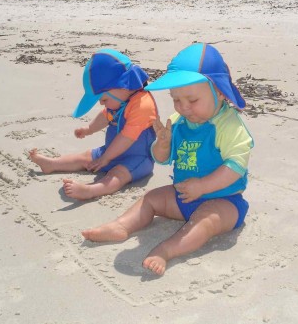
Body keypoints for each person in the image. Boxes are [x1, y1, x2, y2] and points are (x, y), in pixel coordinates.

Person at [81, 43, 254, 275]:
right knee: (151, 198)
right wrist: (162, 145)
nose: (183, 107)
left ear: (220, 92)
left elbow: (235, 166)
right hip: (183, 196)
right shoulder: (179, 121)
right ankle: (121, 226)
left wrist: (203, 187)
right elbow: (162, 159)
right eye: (176, 100)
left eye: (192, 101)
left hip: (224, 201)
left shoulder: (229, 125)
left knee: (205, 221)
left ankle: (167, 250)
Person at [29, 49, 158, 201]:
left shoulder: (143, 105)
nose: (102, 104)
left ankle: (91, 190)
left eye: (104, 99)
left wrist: (106, 158)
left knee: (117, 175)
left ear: (123, 86)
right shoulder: (119, 101)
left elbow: (127, 137)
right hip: (111, 151)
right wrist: (89, 129)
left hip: (137, 158)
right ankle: (52, 164)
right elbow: (105, 117)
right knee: (85, 157)